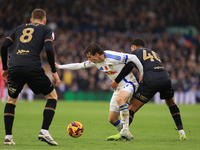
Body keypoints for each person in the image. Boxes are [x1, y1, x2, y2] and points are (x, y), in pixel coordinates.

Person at [55, 43, 144, 141]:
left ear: (96, 54)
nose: (89, 59)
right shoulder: (95, 62)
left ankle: (125, 131)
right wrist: (59, 67)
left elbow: (134, 58)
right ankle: (126, 135)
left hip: (129, 83)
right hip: (118, 88)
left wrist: (142, 73)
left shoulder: (113, 57)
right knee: (112, 119)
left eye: (90, 57)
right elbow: (79, 65)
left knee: (120, 99)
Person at [1, 8, 61, 146]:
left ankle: (8, 137)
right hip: (32, 66)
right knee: (52, 97)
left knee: (11, 101)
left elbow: (4, 46)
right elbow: (49, 49)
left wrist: (5, 68)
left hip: (14, 67)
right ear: (45, 20)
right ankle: (44, 131)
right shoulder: (46, 29)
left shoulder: (17, 29)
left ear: (31, 20)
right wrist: (53, 70)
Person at [108, 38, 187, 141]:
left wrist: (117, 80)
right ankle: (182, 133)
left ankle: (124, 133)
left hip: (151, 80)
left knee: (131, 108)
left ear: (134, 47)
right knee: (172, 104)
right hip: (165, 77)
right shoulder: (153, 52)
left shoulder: (135, 52)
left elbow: (131, 65)